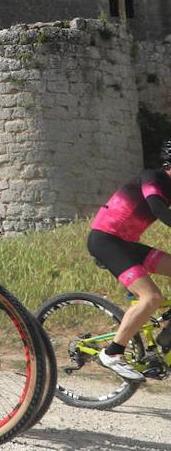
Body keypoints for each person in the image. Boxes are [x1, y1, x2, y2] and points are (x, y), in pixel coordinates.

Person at [85, 140, 171, 382]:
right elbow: (158, 209)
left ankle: (165, 339)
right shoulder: (152, 177)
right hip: (105, 240)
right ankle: (112, 353)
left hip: (128, 244)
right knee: (151, 297)